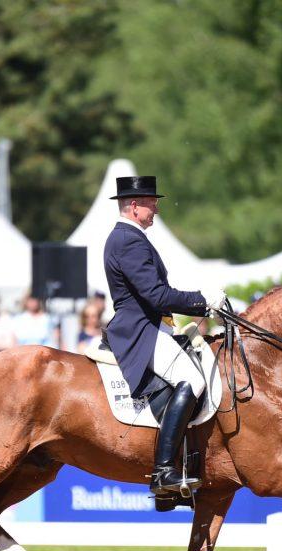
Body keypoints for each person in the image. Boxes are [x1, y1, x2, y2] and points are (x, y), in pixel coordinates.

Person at [103, 175, 225, 495]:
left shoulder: (132, 238)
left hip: (155, 325)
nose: (156, 208)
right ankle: (163, 470)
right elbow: (156, 296)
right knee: (194, 381)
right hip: (140, 329)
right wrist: (203, 300)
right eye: (151, 202)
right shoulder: (128, 240)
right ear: (133, 206)